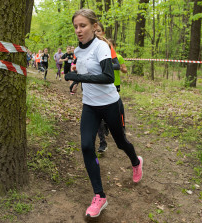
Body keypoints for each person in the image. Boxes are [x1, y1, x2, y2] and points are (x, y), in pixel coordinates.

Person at [64, 9, 143, 218]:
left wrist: (77, 76)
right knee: (86, 146)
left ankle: (136, 161)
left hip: (110, 104)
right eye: (76, 27)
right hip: (89, 105)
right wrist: (75, 81)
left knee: (120, 142)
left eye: (83, 26)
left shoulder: (101, 47)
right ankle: (99, 196)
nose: (79, 30)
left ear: (93, 26)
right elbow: (86, 73)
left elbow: (108, 77)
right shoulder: (78, 51)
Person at [95, 22, 121, 153]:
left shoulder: (107, 46)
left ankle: (109, 126)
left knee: (106, 112)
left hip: (106, 86)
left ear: (103, 32)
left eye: (99, 31)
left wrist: (105, 66)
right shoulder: (84, 46)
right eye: (95, 31)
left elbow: (117, 65)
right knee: (96, 115)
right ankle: (102, 142)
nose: (96, 33)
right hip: (91, 87)